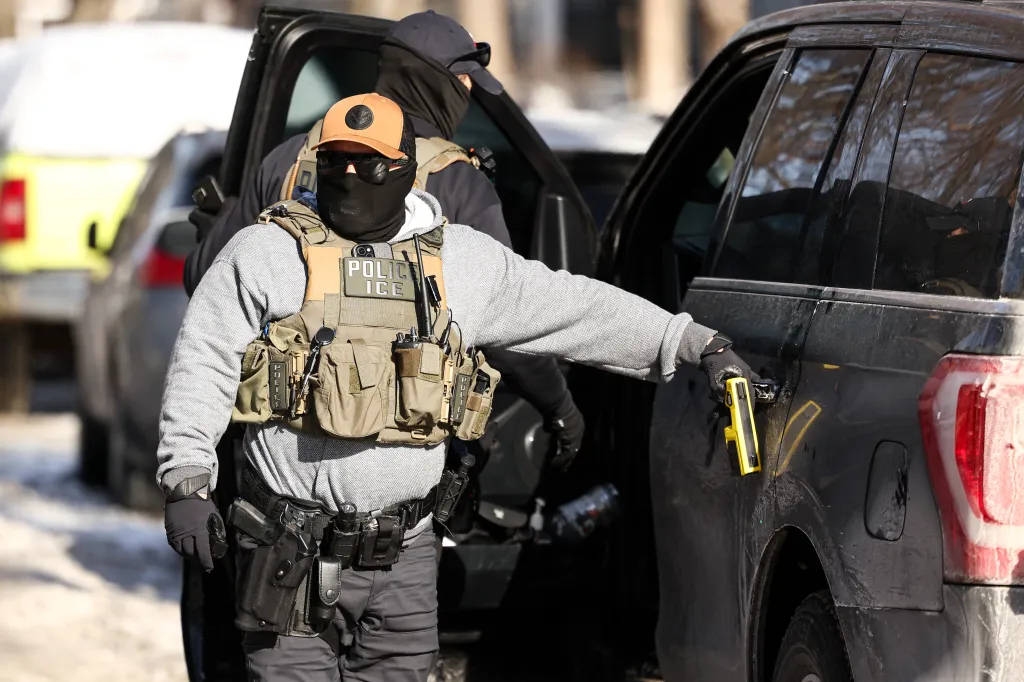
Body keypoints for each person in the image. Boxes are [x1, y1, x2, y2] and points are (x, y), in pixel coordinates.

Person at [160, 92, 755, 682]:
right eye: (336, 160)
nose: (350, 175)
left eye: (368, 163)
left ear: (404, 169)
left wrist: (692, 342)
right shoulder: (267, 252)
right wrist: (187, 478)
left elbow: (578, 309)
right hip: (288, 553)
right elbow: (204, 358)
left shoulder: (458, 263)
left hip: (404, 561)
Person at [184, 10, 585, 473]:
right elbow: (507, 321)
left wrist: (218, 225)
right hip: (398, 463)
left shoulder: (292, 158)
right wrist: (561, 408)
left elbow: (206, 282)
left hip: (278, 457)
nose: (468, 95)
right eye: (465, 83)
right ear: (443, 84)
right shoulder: (458, 183)